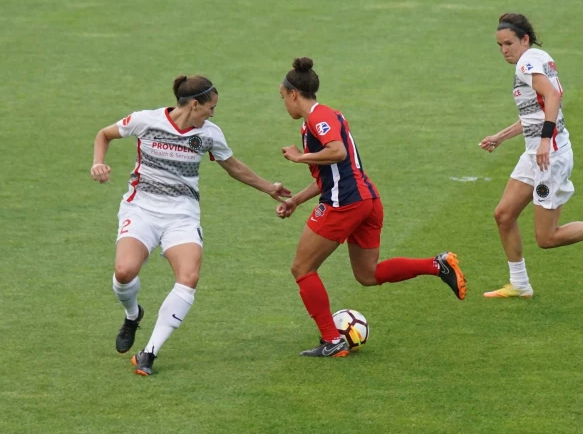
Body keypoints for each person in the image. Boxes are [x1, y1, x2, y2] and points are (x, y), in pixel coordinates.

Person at [90, 75, 291, 375]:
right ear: (195, 104)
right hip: (141, 209)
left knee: (189, 276)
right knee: (124, 272)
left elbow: (234, 167)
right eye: (211, 107)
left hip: (181, 216)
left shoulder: (209, 134)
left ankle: (149, 352)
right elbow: (104, 135)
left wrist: (269, 188)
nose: (213, 113)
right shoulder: (146, 120)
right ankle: (133, 315)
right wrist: (98, 162)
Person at [275, 57, 467, 357]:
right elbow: (333, 172)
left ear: (293, 93)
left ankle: (332, 340)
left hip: (344, 204)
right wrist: (296, 200)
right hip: (367, 200)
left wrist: (300, 158)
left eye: (282, 97)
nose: (283, 103)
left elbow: (337, 153)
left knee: (302, 268)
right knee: (367, 274)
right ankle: (438, 264)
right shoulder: (324, 117)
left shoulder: (317, 117)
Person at [480, 13, 583, 299]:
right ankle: (519, 284)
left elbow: (554, 98)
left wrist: (545, 140)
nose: (504, 50)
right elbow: (538, 111)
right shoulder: (538, 57)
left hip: (549, 158)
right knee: (504, 215)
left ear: (525, 39)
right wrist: (501, 136)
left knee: (547, 238)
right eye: (499, 45)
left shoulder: (527, 62)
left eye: (508, 43)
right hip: (536, 154)